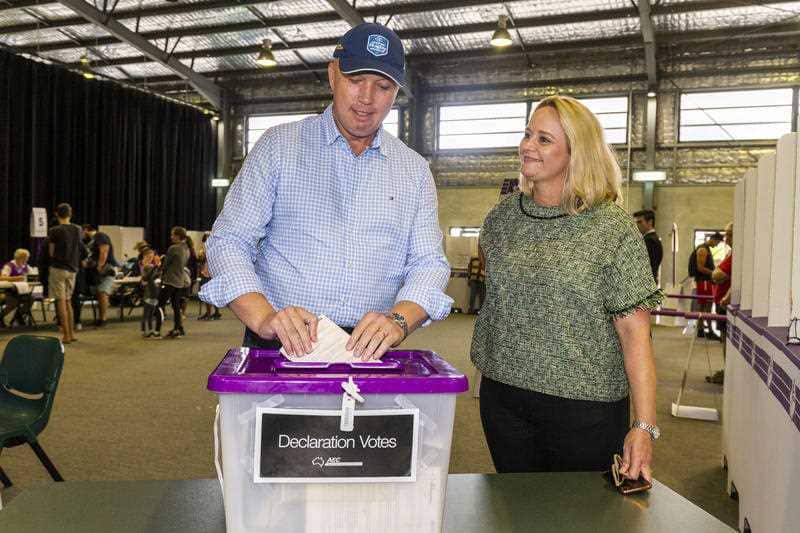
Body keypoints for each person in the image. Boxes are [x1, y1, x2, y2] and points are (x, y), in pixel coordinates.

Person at [200, 22, 451, 359]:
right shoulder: (279, 147)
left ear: (396, 92)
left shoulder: (414, 170)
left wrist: (399, 320)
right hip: (281, 343)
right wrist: (264, 318)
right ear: (333, 74)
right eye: (355, 80)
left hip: (370, 351)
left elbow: (429, 263)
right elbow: (229, 241)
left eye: (382, 86)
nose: (366, 98)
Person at [470, 96, 662, 482]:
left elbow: (635, 336)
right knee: (517, 513)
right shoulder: (501, 221)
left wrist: (644, 426)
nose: (527, 146)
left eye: (543, 139)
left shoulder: (611, 228)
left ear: (577, 152)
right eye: (527, 135)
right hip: (503, 401)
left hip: (585, 412)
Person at [48, 203, 84, 343]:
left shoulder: (54, 230)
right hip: (72, 269)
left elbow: (51, 252)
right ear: (70, 214)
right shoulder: (78, 229)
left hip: (58, 267)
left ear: (57, 214)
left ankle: (66, 335)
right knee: (69, 300)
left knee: (61, 301)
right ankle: (72, 333)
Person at [708, 223, 733, 383]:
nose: (726, 238)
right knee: (724, 338)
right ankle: (726, 370)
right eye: (725, 234)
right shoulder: (731, 252)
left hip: (726, 305)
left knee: (727, 340)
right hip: (721, 302)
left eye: (730, 234)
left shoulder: (737, 254)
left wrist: (717, 273)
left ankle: (727, 373)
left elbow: (718, 274)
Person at [689, 232, 723, 339]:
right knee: (705, 305)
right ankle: (706, 331)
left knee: (705, 305)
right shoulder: (703, 249)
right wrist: (714, 272)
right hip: (703, 281)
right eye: (717, 242)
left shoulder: (706, 249)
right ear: (713, 239)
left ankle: (701, 330)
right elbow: (700, 267)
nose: (717, 245)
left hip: (705, 281)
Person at [83, 224, 117, 327]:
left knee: (102, 292)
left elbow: (104, 251)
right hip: (98, 270)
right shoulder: (91, 241)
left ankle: (103, 319)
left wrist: (99, 267)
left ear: (86, 230)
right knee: (99, 293)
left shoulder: (100, 236)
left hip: (107, 269)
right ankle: (100, 318)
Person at [159, 226, 191, 338]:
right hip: (180, 281)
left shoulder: (173, 248)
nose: (171, 237)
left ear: (177, 236)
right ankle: (179, 329)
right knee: (176, 306)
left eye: (172, 235)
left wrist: (160, 268)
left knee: (159, 304)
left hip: (170, 281)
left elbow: (165, 265)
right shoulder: (186, 248)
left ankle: (156, 331)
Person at [0, 248, 31, 327]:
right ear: (20, 257)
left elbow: (30, 276)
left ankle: (18, 316)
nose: (27, 259)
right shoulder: (9, 265)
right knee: (13, 303)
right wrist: (15, 278)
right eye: (26, 257)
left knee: (31, 299)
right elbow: (2, 278)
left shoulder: (25, 266)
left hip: (21, 290)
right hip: (8, 291)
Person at [633, 209, 663, 284]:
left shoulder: (651, 241)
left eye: (640, 222)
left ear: (650, 222)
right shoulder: (648, 239)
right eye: (636, 222)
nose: (637, 225)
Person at [197, 232, 221, 321]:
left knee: (209, 293)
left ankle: (210, 313)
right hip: (207, 272)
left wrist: (203, 256)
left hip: (209, 273)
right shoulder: (205, 248)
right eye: (206, 239)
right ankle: (211, 313)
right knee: (210, 293)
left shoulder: (213, 249)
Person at [139, 247, 161, 338]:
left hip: (154, 290)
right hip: (148, 292)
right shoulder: (145, 266)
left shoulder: (151, 266)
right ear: (144, 256)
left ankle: (150, 330)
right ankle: (144, 330)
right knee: (146, 312)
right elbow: (147, 277)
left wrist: (158, 269)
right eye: (148, 257)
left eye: (152, 257)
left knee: (151, 312)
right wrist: (156, 267)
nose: (150, 258)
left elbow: (155, 276)